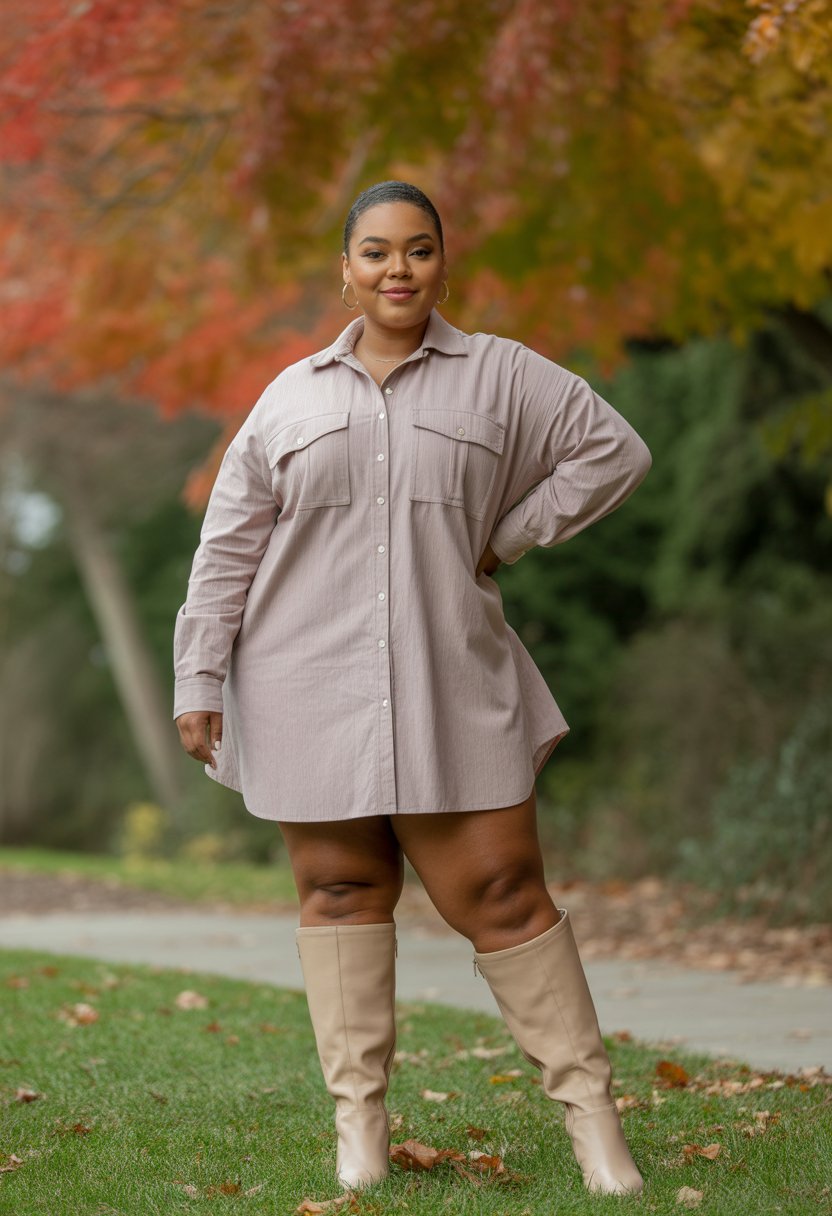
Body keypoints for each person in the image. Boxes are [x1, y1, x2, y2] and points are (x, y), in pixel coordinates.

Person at [173, 180, 652, 1196]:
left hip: (452, 678)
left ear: (443, 264)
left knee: (508, 895)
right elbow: (227, 548)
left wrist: (509, 532)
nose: (399, 269)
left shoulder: (503, 377)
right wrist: (198, 672)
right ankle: (360, 1129)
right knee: (340, 891)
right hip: (304, 681)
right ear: (344, 270)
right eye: (378, 252)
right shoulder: (289, 397)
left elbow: (615, 450)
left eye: (420, 250)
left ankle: (594, 1124)